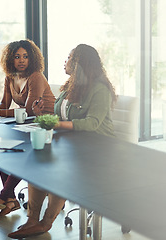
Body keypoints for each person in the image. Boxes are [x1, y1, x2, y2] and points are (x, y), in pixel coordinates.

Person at [8, 43, 117, 239]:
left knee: (60, 169)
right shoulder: (69, 87)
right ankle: (32, 219)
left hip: (98, 147)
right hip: (72, 142)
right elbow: (61, 114)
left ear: (79, 63)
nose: (65, 61)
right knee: (37, 162)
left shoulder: (99, 89)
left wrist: (56, 124)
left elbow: (92, 124)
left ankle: (46, 222)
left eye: (69, 58)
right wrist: (42, 113)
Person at [0, 39, 56, 217]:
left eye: (26, 57)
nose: (21, 60)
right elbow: (4, 104)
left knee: (20, 156)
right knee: (2, 149)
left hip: (46, 125)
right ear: (10, 59)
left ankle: (3, 197)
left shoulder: (36, 76)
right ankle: (11, 200)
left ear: (32, 58)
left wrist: (2, 113)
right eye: (17, 56)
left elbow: (28, 110)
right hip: (26, 125)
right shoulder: (10, 77)